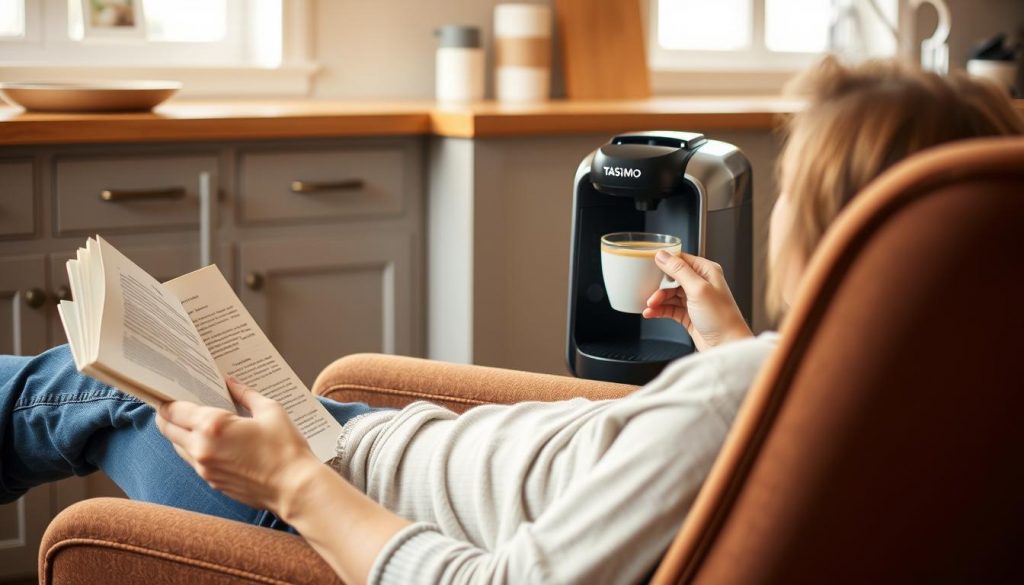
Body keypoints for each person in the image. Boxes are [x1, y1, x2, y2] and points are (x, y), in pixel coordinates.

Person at [2, 58, 1022, 585]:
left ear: (837, 228)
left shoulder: (741, 402)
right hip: (368, 456)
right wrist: (730, 341)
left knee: (81, 381)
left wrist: (296, 483)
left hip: (323, 517)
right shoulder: (940, 411)